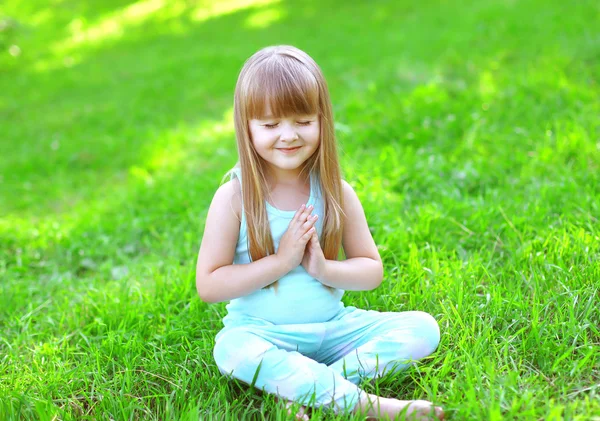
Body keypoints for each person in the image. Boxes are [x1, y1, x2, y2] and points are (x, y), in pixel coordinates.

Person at [195, 45, 444, 420]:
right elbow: (210, 285)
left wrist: (323, 269)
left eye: (303, 121)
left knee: (423, 328)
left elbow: (370, 271)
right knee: (231, 351)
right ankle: (368, 407)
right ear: (246, 127)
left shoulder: (336, 191)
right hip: (264, 335)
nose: (288, 135)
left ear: (322, 120)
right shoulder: (234, 197)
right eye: (270, 124)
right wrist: (282, 261)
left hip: (333, 331)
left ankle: (304, 387)